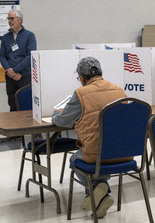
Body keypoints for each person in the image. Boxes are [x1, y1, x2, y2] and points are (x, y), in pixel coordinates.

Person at [52, 56, 130, 218]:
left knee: (75, 160)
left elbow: (63, 121)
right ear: (101, 72)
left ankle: (100, 187)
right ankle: (100, 201)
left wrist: (56, 115)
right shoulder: (119, 90)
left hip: (97, 155)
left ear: (81, 78)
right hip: (124, 153)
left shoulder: (81, 93)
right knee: (96, 159)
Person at [0, 9, 37, 112]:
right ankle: (13, 126)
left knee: (26, 104)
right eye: (8, 19)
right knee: (12, 104)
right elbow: (2, 56)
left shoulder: (29, 36)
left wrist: (15, 70)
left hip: (25, 75)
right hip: (10, 76)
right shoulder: (6, 37)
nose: (9, 21)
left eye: (12, 18)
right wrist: (9, 70)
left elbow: (30, 56)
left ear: (20, 20)